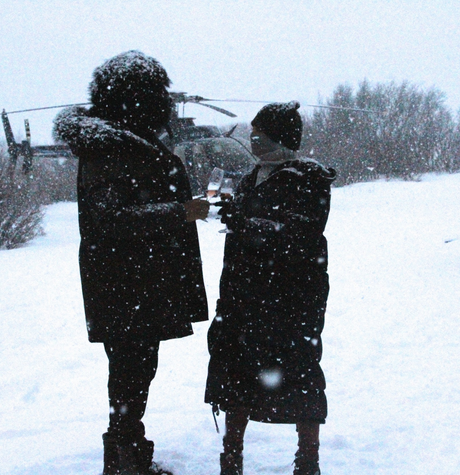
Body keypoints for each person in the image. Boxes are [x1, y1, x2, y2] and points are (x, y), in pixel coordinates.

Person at [54, 50, 210, 475]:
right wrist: (180, 212)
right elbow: (110, 219)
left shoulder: (124, 142)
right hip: (126, 281)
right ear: (140, 97)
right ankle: (125, 460)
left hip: (135, 279)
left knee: (135, 369)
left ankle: (128, 453)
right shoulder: (110, 148)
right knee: (130, 370)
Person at [204, 102, 336, 475]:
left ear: (279, 138)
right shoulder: (252, 176)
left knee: (299, 374)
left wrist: (245, 224)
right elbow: (252, 230)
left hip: (290, 298)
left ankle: (307, 461)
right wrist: (234, 215)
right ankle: (231, 459)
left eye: (259, 134)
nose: (252, 140)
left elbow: (299, 237)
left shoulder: (308, 178)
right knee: (237, 372)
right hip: (244, 296)